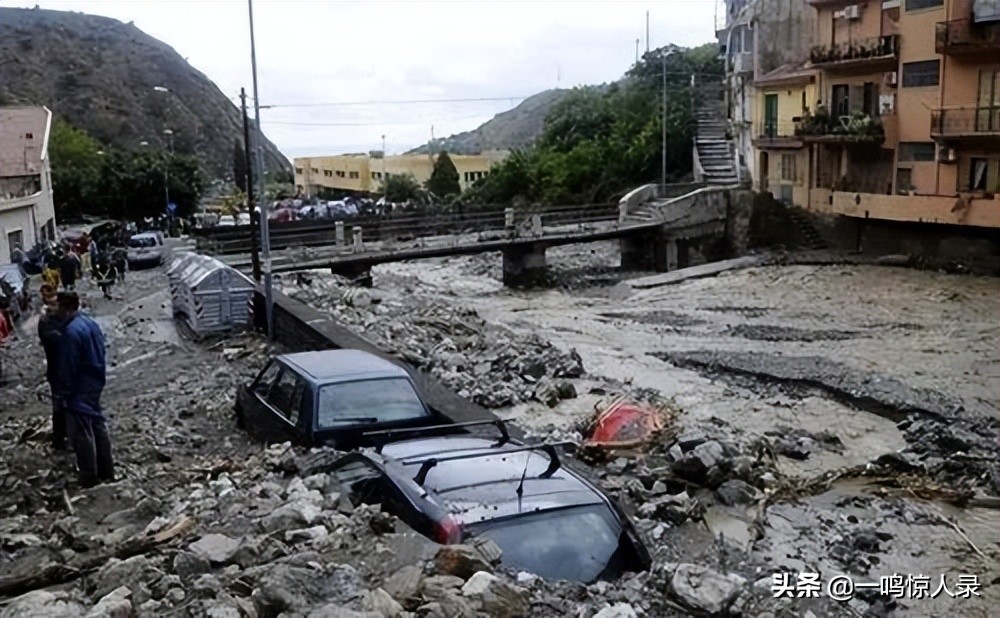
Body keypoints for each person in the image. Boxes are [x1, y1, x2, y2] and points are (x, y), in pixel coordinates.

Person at [53, 292, 115, 487]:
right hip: (95, 382)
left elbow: (68, 366)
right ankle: (107, 470)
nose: (54, 312)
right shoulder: (90, 323)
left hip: (78, 388)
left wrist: (62, 392)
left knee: (81, 432)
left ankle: (89, 477)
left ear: (66, 307)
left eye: (56, 307)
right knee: (97, 425)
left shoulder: (70, 333)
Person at [38, 295, 67, 450]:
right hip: (57, 371)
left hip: (60, 370)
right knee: (59, 406)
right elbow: (53, 340)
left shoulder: (54, 321)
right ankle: (59, 439)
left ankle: (64, 435)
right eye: (56, 304)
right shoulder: (47, 323)